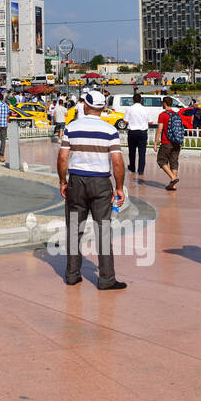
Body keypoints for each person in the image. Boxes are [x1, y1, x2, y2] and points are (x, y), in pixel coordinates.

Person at [57, 89, 127, 290]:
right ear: (103, 108)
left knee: (74, 230)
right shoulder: (110, 130)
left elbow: (63, 158)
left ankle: (72, 274)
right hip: (101, 183)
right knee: (103, 229)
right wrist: (119, 187)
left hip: (76, 181)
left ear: (85, 107)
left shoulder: (72, 127)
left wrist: (63, 181)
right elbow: (117, 162)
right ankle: (106, 278)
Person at [156, 95, 184, 189]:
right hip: (177, 142)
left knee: (161, 160)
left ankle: (173, 178)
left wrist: (156, 142)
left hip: (166, 141)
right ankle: (173, 185)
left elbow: (160, 129)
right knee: (174, 162)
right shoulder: (177, 115)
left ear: (164, 103)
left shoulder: (163, 115)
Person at [123, 92, 152, 180]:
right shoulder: (146, 109)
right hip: (143, 132)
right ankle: (141, 170)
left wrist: (132, 122)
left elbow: (125, 121)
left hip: (132, 132)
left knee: (132, 151)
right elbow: (150, 122)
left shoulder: (129, 109)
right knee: (142, 152)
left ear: (133, 100)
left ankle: (132, 167)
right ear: (141, 100)